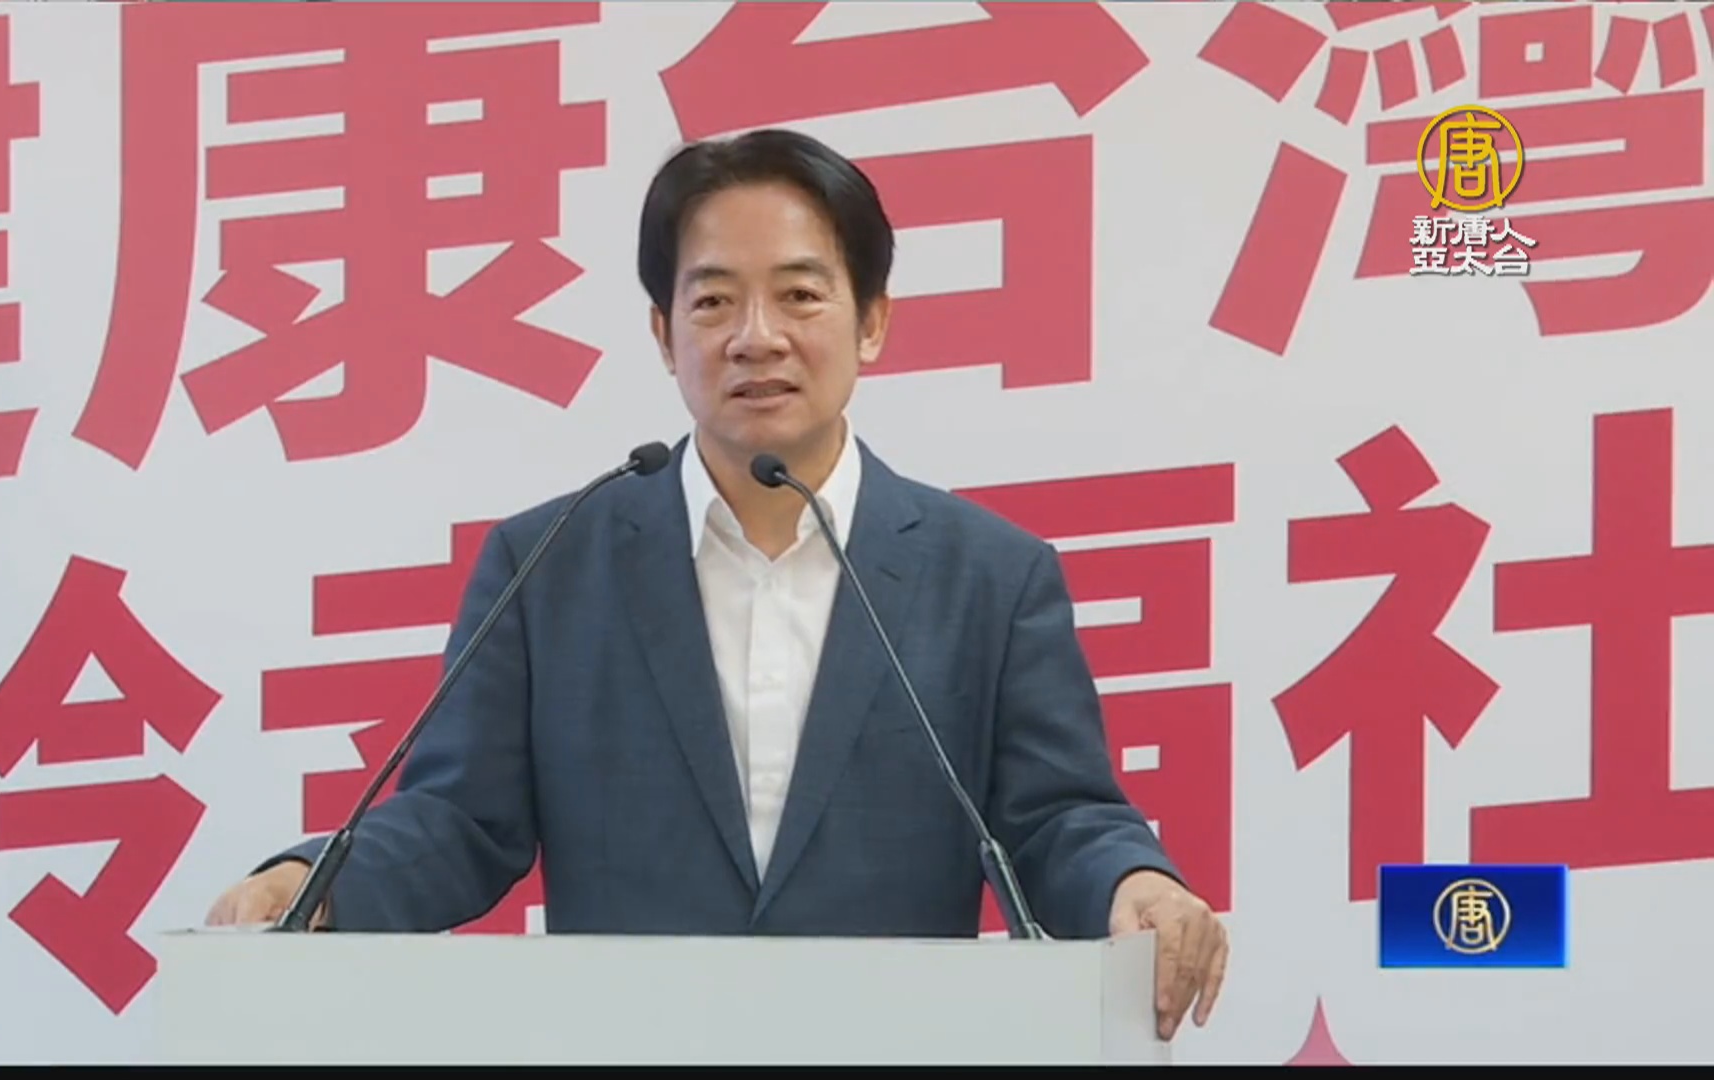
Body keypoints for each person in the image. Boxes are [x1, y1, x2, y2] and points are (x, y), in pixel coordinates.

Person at [207, 128, 1228, 1042]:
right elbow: (457, 819)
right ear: (664, 336)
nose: (756, 336)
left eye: (800, 294)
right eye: (712, 301)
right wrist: (314, 885)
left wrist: (1134, 881)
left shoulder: (990, 576)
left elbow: (1053, 819)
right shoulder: (549, 563)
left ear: (872, 322)